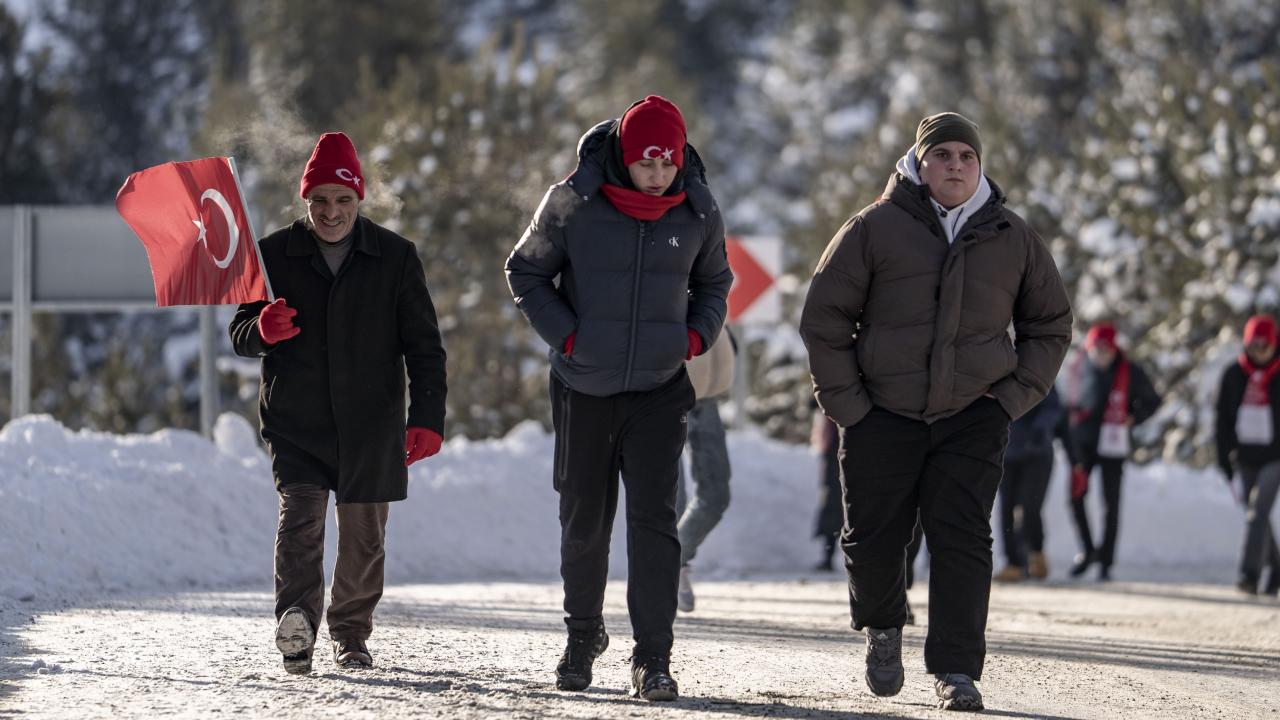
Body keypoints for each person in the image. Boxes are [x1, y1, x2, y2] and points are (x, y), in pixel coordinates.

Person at [799, 112, 1072, 711]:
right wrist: (849, 405)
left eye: (966, 156)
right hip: (880, 412)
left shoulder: (1013, 236)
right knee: (873, 540)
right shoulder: (873, 227)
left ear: (980, 166)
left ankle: (956, 668)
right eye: (942, 155)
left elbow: (1050, 325)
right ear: (918, 164)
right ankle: (883, 625)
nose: (955, 165)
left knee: (963, 538)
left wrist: (1009, 399)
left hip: (973, 414)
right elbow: (824, 318)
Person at [505, 95, 732, 701]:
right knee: (584, 520)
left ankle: (653, 656)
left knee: (655, 522)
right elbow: (524, 270)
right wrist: (570, 336)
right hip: (584, 387)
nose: (658, 175)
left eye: (668, 163)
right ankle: (582, 637)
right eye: (646, 163)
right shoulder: (572, 202)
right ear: (625, 157)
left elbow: (716, 282)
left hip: (659, 389)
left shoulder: (699, 209)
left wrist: (694, 337)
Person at [229, 132, 448, 675]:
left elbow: (425, 348)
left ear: (359, 199)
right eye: (320, 200)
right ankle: (298, 626)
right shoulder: (272, 255)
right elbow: (239, 333)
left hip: (371, 424)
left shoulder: (395, 257)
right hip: (296, 422)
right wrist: (262, 329)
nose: (331, 212)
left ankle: (351, 634)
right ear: (306, 199)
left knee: (363, 538)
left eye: (343, 200)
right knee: (300, 524)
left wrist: (426, 418)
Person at [1064, 321, 1161, 581]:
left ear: (1114, 349)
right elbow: (1067, 403)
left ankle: (1106, 560)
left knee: (1111, 504)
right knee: (1075, 497)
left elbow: (1153, 401)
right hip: (1083, 444)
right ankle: (1088, 550)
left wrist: (1133, 416)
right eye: (1096, 349)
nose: (1101, 355)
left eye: (1105, 350)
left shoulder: (1130, 371)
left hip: (1113, 444)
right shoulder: (1078, 368)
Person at [1214, 313, 1280, 596]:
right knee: (1256, 515)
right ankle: (1276, 567)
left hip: (1275, 456)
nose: (1259, 352)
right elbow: (1222, 420)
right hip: (1244, 456)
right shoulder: (1233, 374)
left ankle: (1248, 574)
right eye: (1254, 346)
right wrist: (1223, 456)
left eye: (1265, 346)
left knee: (1257, 511)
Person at [675, 326, 736, 613]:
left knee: (716, 495)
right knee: (671, 499)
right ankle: (668, 572)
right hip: (666, 392)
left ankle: (672, 561)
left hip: (708, 396)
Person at [993, 386, 1080, 582]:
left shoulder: (1038, 372)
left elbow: (1053, 409)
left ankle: (1036, 552)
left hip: (1037, 454)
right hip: (1007, 452)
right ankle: (1014, 563)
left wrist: (1041, 427)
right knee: (1006, 508)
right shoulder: (999, 374)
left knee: (1030, 507)